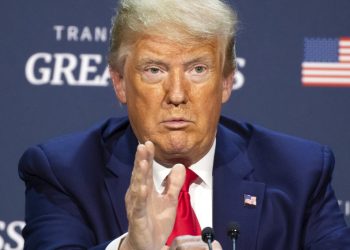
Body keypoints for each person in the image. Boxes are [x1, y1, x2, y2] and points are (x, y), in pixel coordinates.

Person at [19, 0, 350, 249]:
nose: (176, 94)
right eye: (154, 69)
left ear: (225, 83)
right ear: (119, 83)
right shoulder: (64, 172)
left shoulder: (299, 173)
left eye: (198, 69)